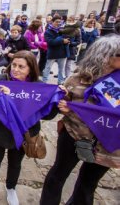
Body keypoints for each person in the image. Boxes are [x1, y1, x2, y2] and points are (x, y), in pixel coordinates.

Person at [40, 35, 120, 205]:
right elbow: (58, 106)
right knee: (58, 175)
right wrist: (64, 105)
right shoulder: (78, 78)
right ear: (106, 56)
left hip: (109, 144)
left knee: (88, 184)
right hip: (75, 135)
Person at [0, 50, 61, 205]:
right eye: (14, 65)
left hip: (24, 133)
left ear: (30, 68)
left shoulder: (38, 87)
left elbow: (46, 115)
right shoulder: (1, 79)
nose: (15, 69)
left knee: (15, 163)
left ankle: (11, 188)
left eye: (21, 67)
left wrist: (58, 103)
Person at [42, 17, 70, 85]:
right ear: (52, 22)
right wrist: (62, 40)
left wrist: (68, 41)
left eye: (59, 22)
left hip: (62, 52)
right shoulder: (48, 31)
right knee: (47, 68)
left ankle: (60, 82)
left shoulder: (63, 30)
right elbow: (50, 42)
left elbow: (69, 39)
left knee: (61, 69)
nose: (58, 23)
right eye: (56, 21)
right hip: (52, 52)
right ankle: (44, 82)